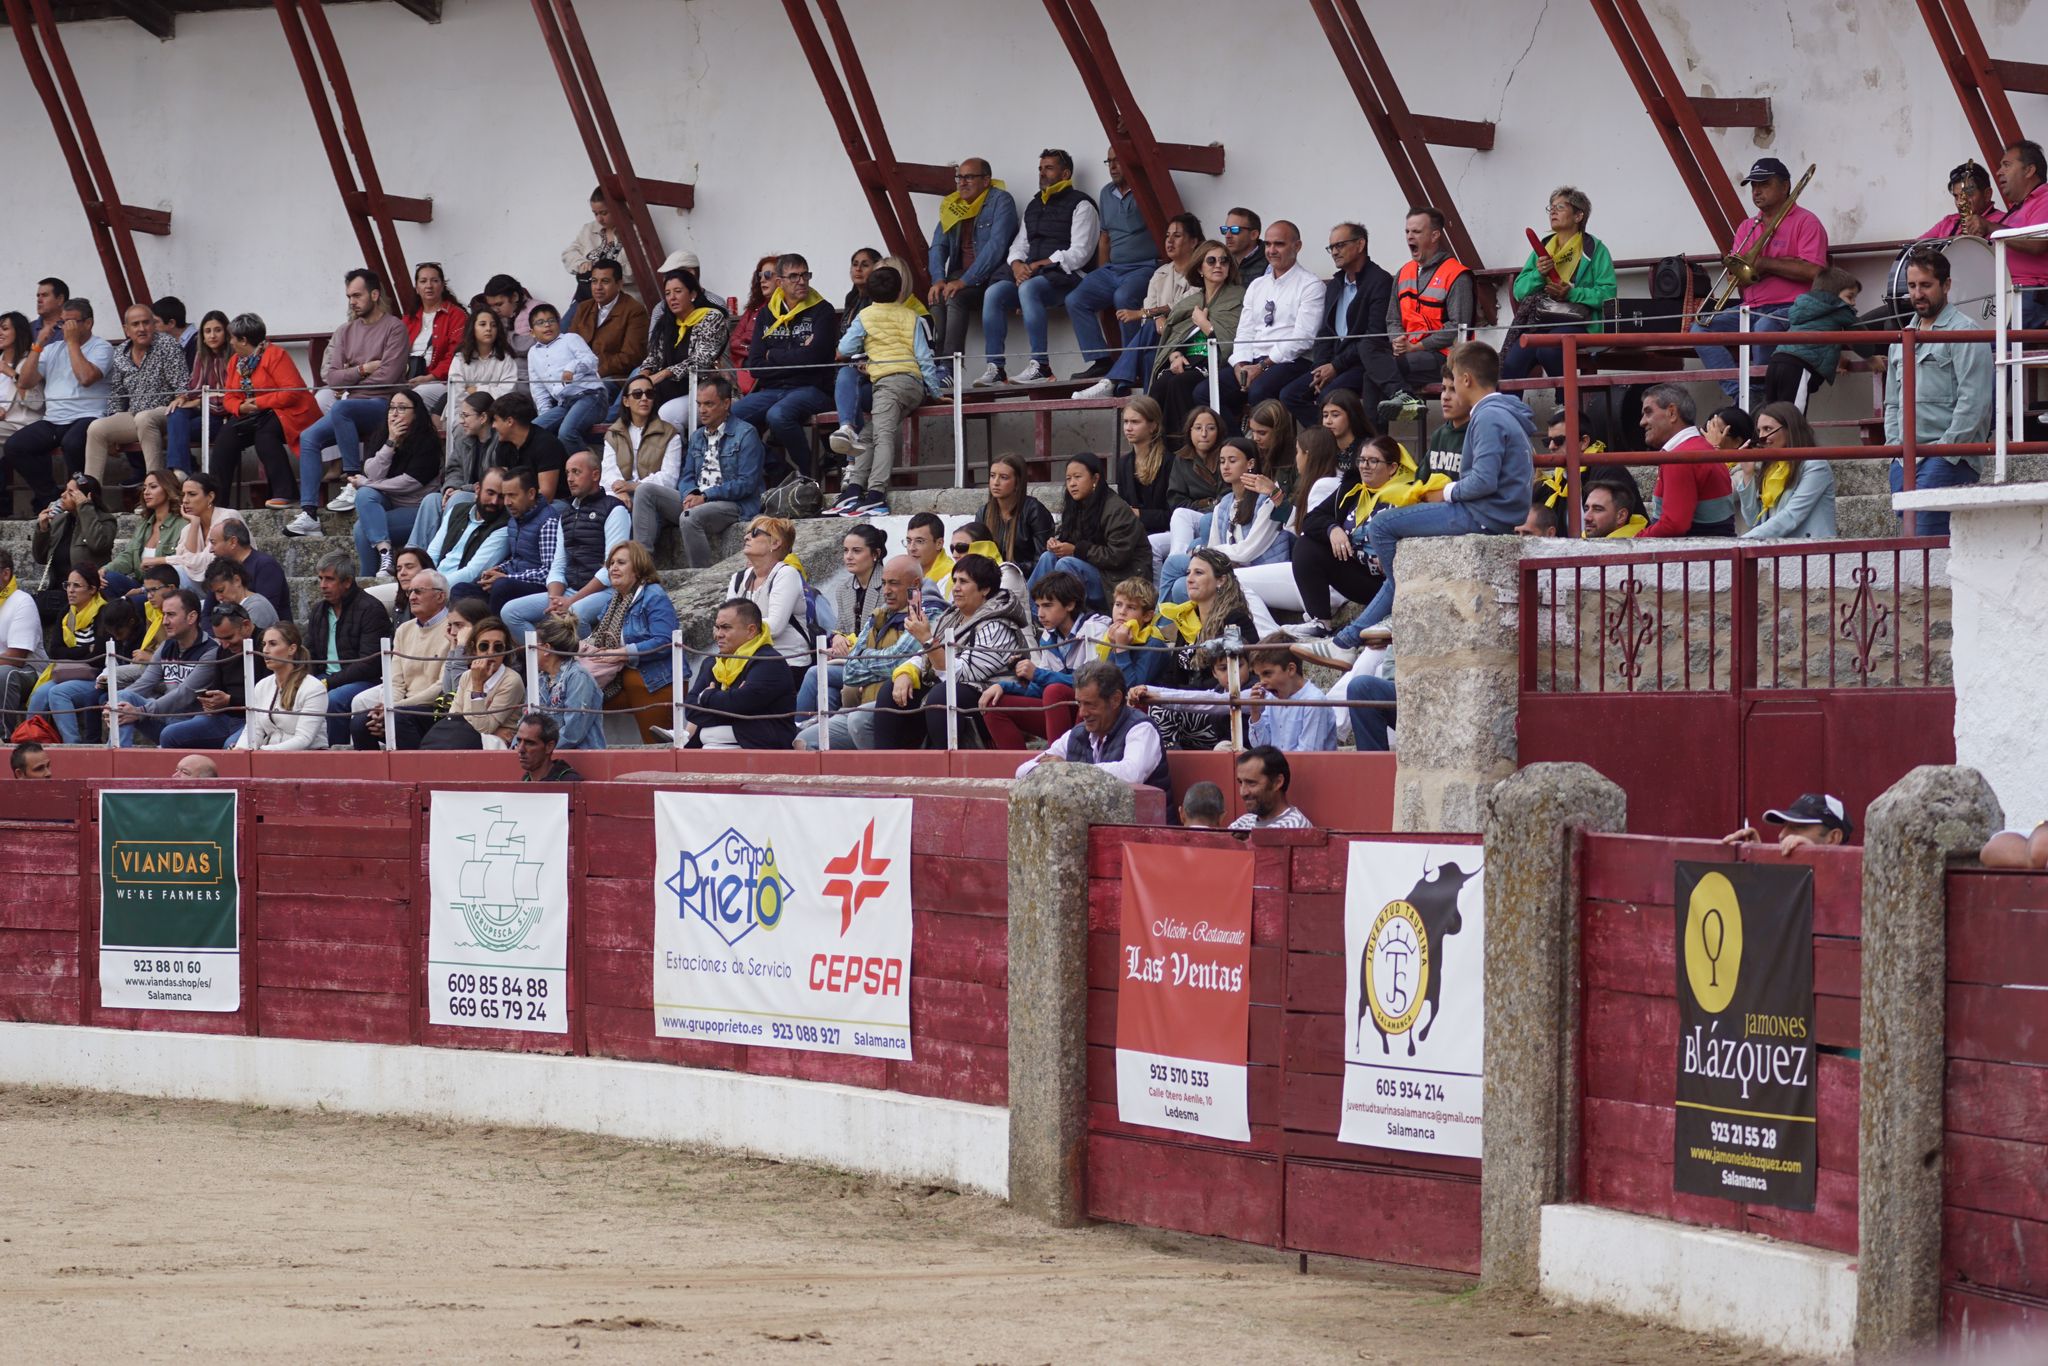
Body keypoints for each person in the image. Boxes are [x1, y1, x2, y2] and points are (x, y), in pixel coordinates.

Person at [1354, 342, 1534, 638]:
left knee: (1382, 526)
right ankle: (1348, 638)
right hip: (1489, 512)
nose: (1448, 394)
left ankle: (1397, 606)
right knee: (1393, 543)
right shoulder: (1499, 413)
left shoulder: (1488, 416)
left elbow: (1484, 480)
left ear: (1466, 380)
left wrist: (1446, 492)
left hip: (1483, 515)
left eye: (1453, 385)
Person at [1691, 157, 1831, 398]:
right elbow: (1740, 280)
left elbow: (1815, 271)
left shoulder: (1807, 222)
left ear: (1786, 186)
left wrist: (1766, 264)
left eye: (1764, 184)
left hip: (1792, 307)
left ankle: (1765, 394)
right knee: (1699, 331)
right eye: (1753, 186)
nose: (1757, 191)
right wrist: (1744, 270)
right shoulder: (1747, 227)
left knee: (1764, 329)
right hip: (1751, 308)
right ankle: (1740, 392)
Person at [1885, 246, 1993, 536]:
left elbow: (1975, 402)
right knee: (1912, 544)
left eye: (1926, 285)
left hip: (1948, 456)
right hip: (1906, 456)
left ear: (1946, 285)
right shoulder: (1901, 337)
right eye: (1912, 286)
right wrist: (1896, 451)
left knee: (1925, 543)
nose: (1917, 293)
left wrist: (1946, 452)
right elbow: (1892, 403)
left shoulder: (1966, 332)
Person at [971, 148, 1098, 387]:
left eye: (1049, 168)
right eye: (1040, 168)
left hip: (1068, 277)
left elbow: (1080, 253)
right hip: (1034, 275)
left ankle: (1041, 365)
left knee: (1029, 289)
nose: (1042, 173)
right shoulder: (1034, 205)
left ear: (1065, 173)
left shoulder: (1081, 204)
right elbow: (1020, 245)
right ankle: (996, 368)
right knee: (993, 293)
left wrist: (1041, 264)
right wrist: (1018, 265)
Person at [874, 553, 1027, 749]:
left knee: (943, 695)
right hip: (951, 688)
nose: (955, 588)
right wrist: (906, 672)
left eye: (964, 582)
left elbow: (964, 674)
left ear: (985, 589)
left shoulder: (998, 625)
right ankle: (888, 765)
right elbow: (924, 657)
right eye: (954, 580)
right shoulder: (952, 616)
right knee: (891, 688)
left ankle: (945, 763)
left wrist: (927, 640)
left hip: (990, 697)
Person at [826, 265, 943, 519]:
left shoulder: (866, 316)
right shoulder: (912, 316)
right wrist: (933, 391)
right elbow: (924, 359)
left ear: (868, 291)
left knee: (882, 436)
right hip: (912, 385)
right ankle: (854, 489)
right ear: (900, 290)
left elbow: (845, 347)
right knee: (868, 436)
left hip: (888, 384)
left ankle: (876, 495)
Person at [1286, 435, 1420, 656]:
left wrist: (1395, 555)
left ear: (1393, 468)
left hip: (1389, 582)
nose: (1365, 467)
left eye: (1373, 461)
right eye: (1362, 460)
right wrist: (1332, 529)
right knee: (1307, 544)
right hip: (1357, 575)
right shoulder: (1353, 488)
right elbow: (1311, 519)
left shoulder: (1409, 495)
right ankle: (1321, 624)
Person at [297, 268, 410, 527]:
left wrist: (351, 376)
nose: (352, 302)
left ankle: (353, 480)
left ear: (374, 294)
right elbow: (332, 378)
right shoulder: (346, 331)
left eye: (357, 295)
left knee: (341, 408)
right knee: (309, 437)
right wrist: (362, 369)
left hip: (384, 404)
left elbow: (389, 377)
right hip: (352, 405)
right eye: (349, 296)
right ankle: (309, 514)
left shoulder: (395, 328)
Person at [795, 553, 927, 751]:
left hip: (896, 710)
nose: (886, 591)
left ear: (915, 584)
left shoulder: (927, 613)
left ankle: (879, 778)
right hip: (863, 701)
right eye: (883, 583)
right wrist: (872, 664)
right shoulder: (880, 615)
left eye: (894, 583)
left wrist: (864, 661)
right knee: (804, 740)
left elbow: (895, 663)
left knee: (857, 720)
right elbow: (850, 670)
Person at [501, 450, 628, 642]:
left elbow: (611, 569)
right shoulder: (566, 515)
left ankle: (585, 663)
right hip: (569, 591)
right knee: (510, 612)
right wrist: (554, 600)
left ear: (595, 475)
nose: (569, 479)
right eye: (567, 473)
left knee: (577, 612)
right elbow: (558, 564)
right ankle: (545, 659)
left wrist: (570, 602)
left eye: (576, 472)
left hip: (606, 591)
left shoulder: (615, 509)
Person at [3, 295, 112, 512]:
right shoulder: (53, 349)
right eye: (63, 322)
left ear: (88, 323)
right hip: (53, 419)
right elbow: (25, 381)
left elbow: (86, 377)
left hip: (87, 416)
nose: (65, 328)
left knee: (73, 443)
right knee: (16, 447)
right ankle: (51, 497)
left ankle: (82, 501)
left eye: (71, 322)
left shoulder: (102, 347)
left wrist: (72, 342)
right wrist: (38, 346)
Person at [1281, 223, 1397, 425]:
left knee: (1329, 395)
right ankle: (1329, 447)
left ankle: (1349, 444)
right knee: (1290, 394)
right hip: (1334, 364)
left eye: (1340, 245)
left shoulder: (1380, 281)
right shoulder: (1335, 285)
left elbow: (1374, 336)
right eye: (1331, 247)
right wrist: (1319, 369)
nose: (1334, 252)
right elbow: (1325, 332)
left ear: (1360, 244)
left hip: (1363, 363)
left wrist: (1335, 366)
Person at [1500, 187, 1619, 384]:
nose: (1553, 212)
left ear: (1578, 215)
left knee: (1549, 350)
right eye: (1551, 208)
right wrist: (1539, 274)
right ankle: (1509, 412)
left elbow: (1608, 295)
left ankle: (1565, 406)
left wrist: (1571, 293)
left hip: (1579, 322)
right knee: (1512, 362)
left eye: (1560, 207)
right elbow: (1519, 291)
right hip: (1541, 320)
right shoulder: (1543, 247)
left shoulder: (1594, 249)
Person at [1078, 211, 1202, 400]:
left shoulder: (1200, 272)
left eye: (1177, 236)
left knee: (1151, 334)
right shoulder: (1160, 273)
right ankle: (1143, 408)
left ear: (1193, 241)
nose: (1169, 241)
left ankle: (1112, 381)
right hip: (1158, 340)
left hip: (1184, 340)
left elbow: (1185, 304)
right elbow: (1149, 312)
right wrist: (1155, 315)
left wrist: (1147, 314)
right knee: (1149, 355)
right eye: (1167, 236)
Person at [732, 254, 838, 476]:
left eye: (805, 275)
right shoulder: (767, 314)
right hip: (773, 388)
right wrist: (798, 354)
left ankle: (810, 476)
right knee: (728, 419)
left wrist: (775, 355)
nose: (801, 281)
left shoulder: (823, 310)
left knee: (778, 415)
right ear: (779, 282)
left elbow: (814, 360)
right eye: (794, 276)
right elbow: (756, 365)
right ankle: (780, 471)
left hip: (813, 389)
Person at [642, 376, 765, 565]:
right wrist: (691, 493)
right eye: (699, 404)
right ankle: (642, 565)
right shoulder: (698, 436)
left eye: (708, 404)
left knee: (689, 518)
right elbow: (687, 475)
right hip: (699, 499)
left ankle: (701, 577)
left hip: (734, 505)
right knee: (645, 491)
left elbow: (746, 484)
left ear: (726, 404)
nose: (702, 410)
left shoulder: (746, 434)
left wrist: (706, 496)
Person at [980, 569, 1107, 749]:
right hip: (1063, 713)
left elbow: (1093, 685)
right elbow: (1038, 689)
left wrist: (1038, 674)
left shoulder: (1095, 629)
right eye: (1038, 606)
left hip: (1094, 714)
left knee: (1054, 691)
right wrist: (1003, 686)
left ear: (1070, 604)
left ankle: (1056, 760)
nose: (1039, 613)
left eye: (1047, 605)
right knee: (993, 703)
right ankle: (1017, 770)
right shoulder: (1049, 635)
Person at [1065, 147, 1162, 381]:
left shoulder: (1147, 190)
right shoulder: (1106, 193)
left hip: (1144, 266)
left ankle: (1132, 364)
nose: (1113, 166)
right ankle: (1100, 360)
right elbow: (1105, 236)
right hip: (1113, 269)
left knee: (1123, 297)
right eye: (1108, 161)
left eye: (1118, 160)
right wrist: (1101, 271)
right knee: (1075, 299)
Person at [1219, 220, 1325, 423]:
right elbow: (1245, 332)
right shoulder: (1257, 285)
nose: (1271, 250)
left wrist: (1263, 367)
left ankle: (1273, 451)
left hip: (1292, 361)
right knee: (1206, 391)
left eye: (1279, 244)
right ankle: (1239, 449)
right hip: (1253, 361)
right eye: (1267, 244)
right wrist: (1240, 365)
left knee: (1259, 390)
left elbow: (1303, 339)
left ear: (1297, 246)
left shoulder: (1310, 285)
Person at [1163, 434, 1290, 603]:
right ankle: (1169, 624)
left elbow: (1247, 552)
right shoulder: (1224, 504)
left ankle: (1161, 625)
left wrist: (1205, 553)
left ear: (1250, 464)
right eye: (1222, 461)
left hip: (1262, 572)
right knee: (1180, 585)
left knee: (1175, 565)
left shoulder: (1266, 500)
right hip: (1233, 569)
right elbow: (1215, 546)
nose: (1225, 466)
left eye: (1232, 460)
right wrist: (1209, 554)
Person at [1378, 208, 1475, 424]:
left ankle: (1403, 406)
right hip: (1407, 353)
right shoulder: (1403, 272)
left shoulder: (1457, 275)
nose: (1410, 237)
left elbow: (1458, 328)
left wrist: (1416, 347)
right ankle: (1374, 446)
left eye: (1416, 232)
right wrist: (1397, 340)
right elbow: (1392, 319)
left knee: (1382, 370)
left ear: (1434, 236)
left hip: (1445, 358)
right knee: (1371, 369)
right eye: (1407, 232)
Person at [214, 312, 320, 510]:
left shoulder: (275, 355)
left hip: (289, 412)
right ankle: (218, 501)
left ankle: (285, 493)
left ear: (244, 340)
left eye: (233, 338)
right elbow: (229, 398)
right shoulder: (234, 362)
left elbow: (293, 392)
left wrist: (259, 402)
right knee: (226, 436)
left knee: (265, 434)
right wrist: (240, 407)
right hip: (257, 413)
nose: (230, 343)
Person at [1013, 658, 1169, 791]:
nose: (1082, 713)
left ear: (1115, 699)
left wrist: (1071, 770)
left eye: (1090, 704)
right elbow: (1022, 771)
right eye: (1079, 703)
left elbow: (1132, 774)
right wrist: (1059, 769)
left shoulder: (1141, 728)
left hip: (1145, 825)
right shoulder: (1078, 733)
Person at [581, 540, 678, 744]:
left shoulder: (654, 595)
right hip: (624, 680)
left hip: (655, 681)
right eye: (611, 563)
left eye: (621, 562)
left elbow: (665, 641)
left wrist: (623, 653)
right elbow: (601, 637)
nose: (613, 568)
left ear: (638, 567)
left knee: (657, 747)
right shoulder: (615, 600)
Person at [1028, 452, 1149, 614]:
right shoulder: (1076, 505)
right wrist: (1057, 544)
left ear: (1095, 479)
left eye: (1078, 477)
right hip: (1094, 570)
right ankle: (1030, 614)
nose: (1072, 484)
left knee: (1066, 564)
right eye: (1068, 479)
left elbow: (1117, 557)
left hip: (1119, 580)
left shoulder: (1116, 510)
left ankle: (1069, 617)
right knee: (1048, 557)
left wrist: (1075, 550)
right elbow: (1070, 541)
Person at [1146, 240, 1245, 436]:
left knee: (1179, 383)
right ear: (1200, 268)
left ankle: (1181, 446)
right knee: (1161, 383)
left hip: (1217, 363)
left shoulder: (1239, 297)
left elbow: (1233, 342)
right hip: (1186, 360)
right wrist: (1174, 355)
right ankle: (1155, 448)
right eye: (1211, 260)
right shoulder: (1189, 302)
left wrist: (1204, 324)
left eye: (1224, 261)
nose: (1218, 265)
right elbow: (1173, 337)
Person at [348, 567, 451, 749]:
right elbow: (395, 681)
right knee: (361, 723)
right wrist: (389, 709)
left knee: (397, 719)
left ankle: (412, 774)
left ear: (440, 597)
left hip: (435, 708)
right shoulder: (405, 629)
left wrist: (393, 709)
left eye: (418, 592)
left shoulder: (453, 627)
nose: (411, 597)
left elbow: (441, 687)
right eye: (410, 592)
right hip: (402, 707)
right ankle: (374, 777)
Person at [83, 301, 187, 482]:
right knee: (96, 428)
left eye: (146, 322)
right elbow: (117, 393)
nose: (142, 328)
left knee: (145, 418)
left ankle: (155, 487)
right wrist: (113, 419)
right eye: (135, 324)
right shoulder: (120, 353)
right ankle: (91, 494)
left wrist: (180, 402)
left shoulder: (167, 345)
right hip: (135, 414)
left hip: (166, 411)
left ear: (154, 325)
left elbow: (182, 388)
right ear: (126, 329)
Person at [345, 389, 442, 580]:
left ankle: (369, 579)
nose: (395, 413)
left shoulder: (428, 441)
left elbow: (409, 483)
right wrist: (391, 443)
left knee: (360, 528)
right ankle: (384, 554)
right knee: (365, 494)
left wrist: (368, 483)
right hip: (389, 503)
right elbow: (372, 471)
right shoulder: (382, 435)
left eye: (402, 408)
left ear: (416, 413)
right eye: (392, 408)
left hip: (417, 509)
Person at [683, 596, 796, 749]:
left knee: (708, 734)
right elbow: (691, 709)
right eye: (717, 627)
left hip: (763, 747)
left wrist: (706, 696)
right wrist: (731, 704)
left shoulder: (769, 662)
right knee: (707, 735)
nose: (718, 634)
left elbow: (742, 702)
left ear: (750, 631)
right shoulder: (712, 663)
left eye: (726, 627)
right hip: (727, 742)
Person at [305, 550, 393, 744]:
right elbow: (309, 654)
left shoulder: (370, 609)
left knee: (334, 700)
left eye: (329, 579)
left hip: (364, 680)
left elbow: (368, 664)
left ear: (347, 582)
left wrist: (328, 683)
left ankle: (337, 753)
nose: (322, 585)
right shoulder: (318, 611)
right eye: (320, 578)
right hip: (326, 678)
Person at [111, 587, 217, 748]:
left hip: (194, 723)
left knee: (170, 725)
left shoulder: (211, 651)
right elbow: (145, 682)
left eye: (171, 615)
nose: (165, 621)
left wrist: (140, 711)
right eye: (164, 614)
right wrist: (113, 706)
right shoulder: (167, 645)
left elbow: (183, 695)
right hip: (166, 716)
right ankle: (116, 754)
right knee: (122, 697)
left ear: (191, 617)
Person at [1637, 383, 1736, 537]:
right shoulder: (1699, 448)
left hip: (1701, 557)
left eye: (1648, 412)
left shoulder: (1681, 458)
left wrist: (1634, 541)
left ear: (1672, 413)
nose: (1642, 422)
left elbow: (1673, 525)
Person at [153, 600, 255, 749]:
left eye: (229, 638)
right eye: (220, 639)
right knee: (169, 734)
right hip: (223, 717)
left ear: (246, 625)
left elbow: (266, 696)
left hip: (253, 719)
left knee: (232, 746)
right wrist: (211, 701)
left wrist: (229, 701)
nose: (225, 645)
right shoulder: (222, 650)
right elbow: (218, 687)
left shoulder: (264, 646)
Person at [640, 267, 732, 426]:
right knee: (635, 403)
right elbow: (654, 357)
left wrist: (664, 373)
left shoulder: (711, 318)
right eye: (668, 293)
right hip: (670, 388)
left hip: (704, 391)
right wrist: (642, 377)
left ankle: (681, 449)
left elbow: (701, 360)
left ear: (693, 294)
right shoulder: (667, 322)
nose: (672, 298)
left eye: (678, 291)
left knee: (667, 413)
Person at [471, 467, 562, 623]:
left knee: (501, 586)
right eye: (505, 495)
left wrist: (507, 577)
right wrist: (499, 569)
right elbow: (517, 559)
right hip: (513, 580)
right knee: (464, 588)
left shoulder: (548, 521)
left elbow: (549, 572)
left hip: (538, 587)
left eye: (512, 495)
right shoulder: (515, 518)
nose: (506, 502)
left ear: (531, 494)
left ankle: (495, 636)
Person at [420, 616, 524, 750]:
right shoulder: (467, 675)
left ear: (506, 651)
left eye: (498, 647)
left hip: (493, 747)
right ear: (475, 649)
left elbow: (482, 728)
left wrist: (477, 685)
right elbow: (454, 718)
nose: (491, 652)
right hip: (465, 739)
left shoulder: (511, 680)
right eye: (484, 646)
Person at [1764, 266, 1863, 406]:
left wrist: (1838, 359)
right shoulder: (1841, 310)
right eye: (1850, 297)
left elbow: (1814, 343)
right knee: (1792, 419)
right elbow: (1860, 336)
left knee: (1772, 416)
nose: (1853, 302)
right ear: (1832, 295)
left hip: (1776, 361)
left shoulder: (1805, 310)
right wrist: (1872, 358)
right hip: (1797, 368)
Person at [1737, 402, 1837, 539]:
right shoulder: (1770, 467)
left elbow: (1791, 516)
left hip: (1812, 553)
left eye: (1767, 429)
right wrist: (1747, 474)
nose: (1761, 437)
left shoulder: (1815, 466)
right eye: (1759, 430)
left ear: (1790, 430)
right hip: (1779, 551)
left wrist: (1743, 541)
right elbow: (1753, 520)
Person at [602, 377, 680, 542]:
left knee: (640, 502)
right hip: (619, 496)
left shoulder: (670, 433)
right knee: (614, 508)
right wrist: (621, 491)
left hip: (651, 499)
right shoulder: (613, 433)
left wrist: (633, 487)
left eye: (649, 394)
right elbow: (608, 473)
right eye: (637, 394)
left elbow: (669, 478)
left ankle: (639, 561)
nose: (644, 398)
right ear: (626, 401)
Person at [564, 259, 649, 411]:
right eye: (594, 281)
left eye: (605, 281)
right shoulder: (584, 307)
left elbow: (631, 356)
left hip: (613, 378)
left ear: (619, 284)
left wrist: (595, 371)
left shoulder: (634, 310)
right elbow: (568, 346)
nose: (598, 287)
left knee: (584, 402)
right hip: (581, 377)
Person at [30, 474, 115, 625]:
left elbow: (98, 544)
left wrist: (85, 507)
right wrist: (42, 530)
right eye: (65, 490)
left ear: (87, 496)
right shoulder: (60, 520)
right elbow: (40, 558)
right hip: (57, 593)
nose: (62, 495)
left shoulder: (105, 520)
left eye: (70, 492)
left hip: (85, 594)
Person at [525, 303, 606, 458]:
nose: (547, 325)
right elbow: (538, 389)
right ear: (532, 332)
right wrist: (546, 415)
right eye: (540, 322)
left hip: (590, 396)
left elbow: (591, 361)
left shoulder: (570, 339)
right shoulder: (533, 353)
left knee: (567, 433)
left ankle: (589, 470)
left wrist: (572, 367)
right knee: (536, 430)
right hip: (565, 403)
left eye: (552, 320)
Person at [416, 390, 500, 538]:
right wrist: (451, 487)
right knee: (431, 500)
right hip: (462, 491)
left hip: (485, 497)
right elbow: (454, 468)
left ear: (483, 417)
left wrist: (461, 489)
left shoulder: (499, 441)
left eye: (466, 416)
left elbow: (495, 481)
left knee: (458, 499)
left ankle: (444, 550)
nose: (461, 421)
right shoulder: (462, 435)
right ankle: (417, 553)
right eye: (461, 415)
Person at [725, 514, 811, 660]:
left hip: (786, 659)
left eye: (754, 533)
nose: (746, 537)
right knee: (709, 668)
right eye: (746, 534)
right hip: (746, 659)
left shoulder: (786, 574)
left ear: (775, 543)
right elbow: (723, 622)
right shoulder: (738, 578)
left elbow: (775, 627)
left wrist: (735, 626)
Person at [160, 310, 233, 475]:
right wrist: (182, 398)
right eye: (208, 331)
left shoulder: (233, 356)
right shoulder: (202, 355)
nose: (212, 336)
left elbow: (227, 398)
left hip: (223, 418)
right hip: (205, 413)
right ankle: (180, 471)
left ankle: (185, 471)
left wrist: (199, 401)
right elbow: (194, 388)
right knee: (176, 412)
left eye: (218, 330)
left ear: (227, 333)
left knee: (176, 431)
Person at [238, 622, 328, 751]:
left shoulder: (314, 688)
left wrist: (263, 752)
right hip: (269, 757)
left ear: (292, 649)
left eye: (272, 644)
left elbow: (304, 739)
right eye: (264, 644)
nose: (265, 650)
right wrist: (240, 750)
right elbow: (253, 730)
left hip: (307, 758)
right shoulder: (262, 686)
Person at [1243, 636, 1338, 753]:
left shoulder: (1314, 702)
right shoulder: (1272, 698)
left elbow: (1308, 755)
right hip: (1277, 768)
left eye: (1267, 673)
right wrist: (1255, 713)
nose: (1262, 682)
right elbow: (1261, 747)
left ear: (1291, 669)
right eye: (1259, 676)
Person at [425, 465, 511, 592]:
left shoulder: (504, 526)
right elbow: (432, 554)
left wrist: (430, 588)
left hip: (455, 592)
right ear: (477, 489)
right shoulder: (457, 510)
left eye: (501, 496)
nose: (494, 501)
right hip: (430, 583)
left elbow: (473, 573)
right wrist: (421, 582)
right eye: (490, 493)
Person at [531, 612, 605, 750]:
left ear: (546, 648)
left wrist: (537, 751)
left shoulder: (578, 677)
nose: (528, 651)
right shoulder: (539, 679)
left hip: (578, 763)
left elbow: (572, 733)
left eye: (532, 646)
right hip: (545, 759)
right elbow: (525, 722)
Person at [1995, 139, 2048, 330]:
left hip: (2030, 293)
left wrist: (1992, 230)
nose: (1999, 172)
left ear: (2029, 170)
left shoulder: (2045, 198)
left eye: (2006, 165)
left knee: (1987, 346)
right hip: (2004, 292)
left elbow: (2037, 243)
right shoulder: (2017, 209)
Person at [402, 261, 467, 411]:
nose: (429, 286)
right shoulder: (408, 318)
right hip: (408, 378)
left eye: (434, 281)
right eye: (423, 281)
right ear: (416, 288)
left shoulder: (456, 315)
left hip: (440, 381)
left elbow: (455, 355)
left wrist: (430, 378)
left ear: (442, 286)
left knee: (414, 398)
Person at [206, 516, 291, 623]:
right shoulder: (220, 568)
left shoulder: (265, 566)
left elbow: (264, 611)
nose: (210, 549)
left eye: (214, 543)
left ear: (233, 542)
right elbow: (207, 613)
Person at [489, 391, 569, 504]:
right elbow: (502, 483)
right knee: (462, 497)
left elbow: (547, 494)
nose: (493, 426)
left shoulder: (546, 444)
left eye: (496, 420)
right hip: (515, 501)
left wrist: (516, 502)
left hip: (554, 504)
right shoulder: (504, 445)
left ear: (510, 421)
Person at [979, 452, 1054, 568]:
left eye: (1004, 477)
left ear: (1017, 482)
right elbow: (977, 554)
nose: (996, 482)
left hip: (1029, 578)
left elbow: (1042, 559)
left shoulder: (1033, 510)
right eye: (992, 476)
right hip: (994, 578)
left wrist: (1012, 570)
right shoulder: (983, 512)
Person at [820, 523, 887, 647]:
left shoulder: (889, 585)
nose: (848, 557)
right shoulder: (842, 589)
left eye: (856, 551)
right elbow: (841, 629)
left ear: (875, 554)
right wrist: (838, 638)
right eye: (846, 550)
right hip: (851, 658)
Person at [1723, 791, 1853, 853]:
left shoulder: (1855, 886)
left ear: (1833, 838)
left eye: (1798, 827)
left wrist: (1813, 858)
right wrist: (1757, 860)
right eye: (1785, 826)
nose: (1782, 835)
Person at [562, 188, 629, 303]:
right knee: (567, 321)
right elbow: (569, 254)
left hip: (619, 299)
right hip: (586, 297)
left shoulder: (633, 233)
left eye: (604, 213)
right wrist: (581, 263)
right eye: (595, 213)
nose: (599, 219)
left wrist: (604, 275)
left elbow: (639, 271)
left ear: (617, 208)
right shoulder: (589, 229)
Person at [0, 547, 43, 715]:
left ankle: (3, 736)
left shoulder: (22, 602)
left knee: (3, 674)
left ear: (5, 574)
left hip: (27, 670)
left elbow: (17, 658)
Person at [446, 308, 519, 406]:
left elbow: (507, 394)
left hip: (496, 414)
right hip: (464, 415)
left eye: (493, 325)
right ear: (472, 328)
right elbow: (456, 396)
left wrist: (477, 390)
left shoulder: (506, 359)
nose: (489, 328)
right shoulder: (460, 358)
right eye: (482, 324)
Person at [1228, 745, 1312, 830]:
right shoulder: (1243, 822)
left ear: (1277, 782)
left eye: (1251, 783)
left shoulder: (1296, 828)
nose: (1243, 792)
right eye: (1240, 782)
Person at [1924, 158, 2006, 242]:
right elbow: (1916, 244)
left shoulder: (2004, 221)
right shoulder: (1948, 221)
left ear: (1987, 194)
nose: (1960, 203)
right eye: (1956, 196)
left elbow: (2017, 238)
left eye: (1968, 195)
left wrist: (1989, 227)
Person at [0, 310, 44, 457]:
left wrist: (11, 373)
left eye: (4, 329)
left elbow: (36, 403)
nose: (0, 333)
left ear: (19, 332)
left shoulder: (28, 363)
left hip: (21, 424)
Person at [200, 557, 278, 633]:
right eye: (215, 593)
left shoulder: (257, 607)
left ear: (237, 580)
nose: (218, 597)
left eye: (221, 590)